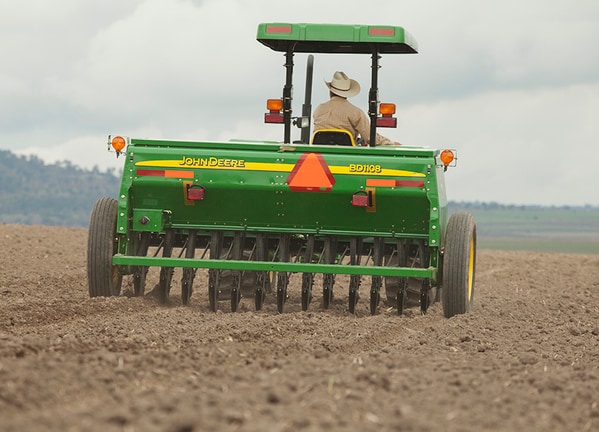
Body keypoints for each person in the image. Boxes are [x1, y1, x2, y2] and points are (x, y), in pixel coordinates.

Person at [313, 71, 399, 146]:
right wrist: (390, 143)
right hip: (346, 156)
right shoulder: (356, 112)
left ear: (330, 92)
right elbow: (370, 137)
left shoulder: (319, 109)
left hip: (318, 155)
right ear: (347, 93)